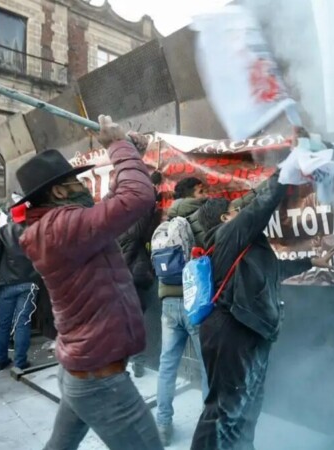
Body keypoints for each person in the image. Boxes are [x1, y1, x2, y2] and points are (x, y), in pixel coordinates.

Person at [19, 115, 163, 450]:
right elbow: (136, 200)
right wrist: (117, 145)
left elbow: (113, 208)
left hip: (83, 367)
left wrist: (130, 155)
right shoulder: (61, 228)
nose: (84, 188)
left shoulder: (56, 228)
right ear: (57, 191)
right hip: (100, 378)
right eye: (77, 184)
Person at [189, 137, 334, 449]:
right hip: (231, 331)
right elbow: (261, 206)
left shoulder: (245, 246)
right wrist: (289, 168)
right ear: (225, 217)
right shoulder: (228, 234)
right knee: (225, 409)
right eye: (234, 209)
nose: (239, 211)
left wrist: (311, 261)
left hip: (251, 331)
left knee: (247, 408)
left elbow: (274, 271)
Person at [151, 176, 211, 446]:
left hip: (167, 304)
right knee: (208, 366)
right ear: (189, 195)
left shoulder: (163, 223)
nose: (205, 194)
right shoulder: (199, 219)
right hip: (193, 302)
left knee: (167, 366)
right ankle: (209, 427)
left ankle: (163, 424)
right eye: (201, 190)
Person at [0, 205, 38, 371]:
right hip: (30, 282)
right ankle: (20, 362)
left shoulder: (2, 231)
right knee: (23, 323)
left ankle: (1, 360)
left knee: (3, 324)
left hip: (6, 283)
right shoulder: (35, 231)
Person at [117, 178, 157, 379]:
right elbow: (143, 220)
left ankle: (124, 366)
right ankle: (136, 365)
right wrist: (153, 191)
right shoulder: (128, 230)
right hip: (134, 280)